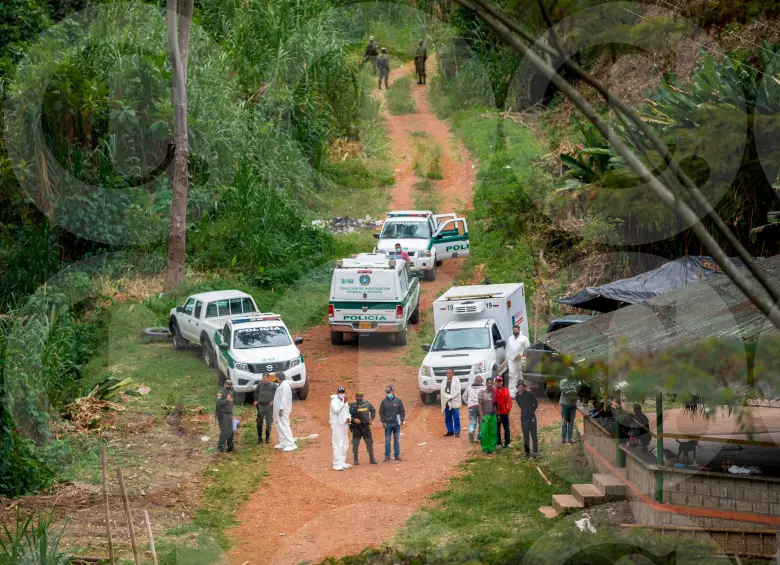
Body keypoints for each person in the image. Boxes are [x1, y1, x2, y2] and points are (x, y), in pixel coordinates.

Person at [350, 391, 378, 465]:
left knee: (369, 443)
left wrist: (371, 419)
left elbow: (373, 410)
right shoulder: (352, 405)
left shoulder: (367, 403)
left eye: (361, 396)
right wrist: (354, 420)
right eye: (358, 396)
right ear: (355, 397)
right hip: (356, 427)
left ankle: (372, 459)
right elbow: (347, 415)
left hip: (366, 426)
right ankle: (355, 459)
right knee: (355, 444)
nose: (360, 398)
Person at [379, 385, 405, 461]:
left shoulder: (398, 400)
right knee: (387, 440)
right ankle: (387, 456)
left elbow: (402, 410)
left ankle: (397, 455)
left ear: (393, 392)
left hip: (396, 424)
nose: (388, 393)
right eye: (387, 392)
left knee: (396, 440)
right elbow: (381, 412)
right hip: (387, 424)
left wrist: (402, 419)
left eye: (389, 392)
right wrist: (383, 421)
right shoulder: (384, 402)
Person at [330, 386, 352, 471]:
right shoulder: (334, 401)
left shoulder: (345, 402)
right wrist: (343, 403)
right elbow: (336, 410)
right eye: (340, 392)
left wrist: (348, 418)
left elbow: (347, 412)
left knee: (345, 443)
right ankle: (336, 464)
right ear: (337, 393)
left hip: (344, 425)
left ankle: (342, 462)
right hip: (336, 425)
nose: (342, 394)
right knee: (338, 444)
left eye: (343, 392)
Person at [273, 373, 297, 451]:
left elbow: (284, 398)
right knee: (278, 425)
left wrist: (281, 409)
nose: (274, 378)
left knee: (284, 425)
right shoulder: (280, 385)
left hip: (282, 410)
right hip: (278, 409)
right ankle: (283, 442)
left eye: (275, 377)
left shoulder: (285, 385)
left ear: (278, 377)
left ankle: (291, 444)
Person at [515, 381, 539, 457]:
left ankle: (535, 452)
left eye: (522, 385)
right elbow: (520, 406)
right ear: (517, 387)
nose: (520, 387)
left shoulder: (529, 394)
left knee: (534, 435)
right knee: (525, 436)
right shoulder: (517, 396)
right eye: (519, 386)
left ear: (524, 387)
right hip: (523, 419)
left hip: (531, 418)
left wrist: (532, 411)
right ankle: (527, 452)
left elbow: (536, 403)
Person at [506, 325, 531, 397]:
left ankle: (522, 392)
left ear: (519, 330)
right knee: (512, 375)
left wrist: (520, 354)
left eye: (516, 330)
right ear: (512, 330)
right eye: (514, 330)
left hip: (521, 359)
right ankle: (512, 393)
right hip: (512, 359)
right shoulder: (510, 338)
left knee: (521, 375)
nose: (515, 331)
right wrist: (510, 357)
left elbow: (527, 348)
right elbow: (508, 349)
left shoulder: (524, 338)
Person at [253, 372, 277, 445]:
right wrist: (256, 400)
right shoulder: (260, 385)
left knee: (268, 423)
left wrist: (273, 401)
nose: (263, 380)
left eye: (264, 378)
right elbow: (256, 393)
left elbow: (277, 395)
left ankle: (267, 437)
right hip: (260, 406)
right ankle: (259, 438)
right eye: (262, 378)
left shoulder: (273, 385)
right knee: (259, 422)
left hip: (269, 407)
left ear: (269, 378)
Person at [477, 377, 498, 455]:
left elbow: (497, 404)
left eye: (491, 383)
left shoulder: (495, 392)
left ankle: (492, 448)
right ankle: (485, 449)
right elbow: (479, 405)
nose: (490, 384)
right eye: (488, 383)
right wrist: (481, 416)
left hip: (493, 415)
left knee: (493, 432)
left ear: (493, 384)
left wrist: (498, 414)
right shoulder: (482, 392)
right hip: (485, 415)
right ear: (486, 384)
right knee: (484, 432)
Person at [462, 375, 485, 443]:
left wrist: (469, 403)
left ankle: (471, 431)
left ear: (474, 381)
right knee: (481, 422)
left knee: (473, 421)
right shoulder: (484, 388)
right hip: (481, 408)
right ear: (481, 381)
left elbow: (464, 397)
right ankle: (480, 436)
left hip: (471, 407)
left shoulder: (469, 388)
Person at [559, 374, 581, 444]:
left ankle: (569, 438)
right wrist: (573, 389)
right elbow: (563, 390)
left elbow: (579, 386)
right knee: (565, 421)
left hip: (573, 404)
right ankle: (563, 438)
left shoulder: (577, 381)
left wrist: (573, 390)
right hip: (565, 404)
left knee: (571, 422)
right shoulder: (563, 382)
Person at [440, 368, 462, 438]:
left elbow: (457, 391)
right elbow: (442, 392)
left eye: (450, 373)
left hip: (454, 401)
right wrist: (448, 397)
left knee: (456, 418)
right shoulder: (444, 381)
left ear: (453, 373)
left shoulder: (457, 380)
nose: (448, 374)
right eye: (447, 373)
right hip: (446, 402)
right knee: (448, 417)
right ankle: (450, 431)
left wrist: (451, 397)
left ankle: (457, 431)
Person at [216, 379, 235, 453]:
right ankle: (220, 446)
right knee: (225, 431)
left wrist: (232, 414)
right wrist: (226, 400)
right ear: (224, 385)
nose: (229, 386)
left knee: (230, 431)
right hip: (222, 414)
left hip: (229, 414)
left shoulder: (230, 392)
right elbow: (218, 403)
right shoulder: (220, 392)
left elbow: (230, 405)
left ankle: (230, 446)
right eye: (228, 385)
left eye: (230, 385)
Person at [494, 376, 513, 448]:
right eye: (497, 381)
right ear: (495, 382)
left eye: (500, 381)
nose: (498, 383)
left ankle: (507, 443)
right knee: (497, 429)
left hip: (505, 413)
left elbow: (509, 401)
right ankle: (498, 443)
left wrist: (508, 410)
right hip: (496, 413)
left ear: (502, 382)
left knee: (507, 429)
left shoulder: (506, 390)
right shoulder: (493, 391)